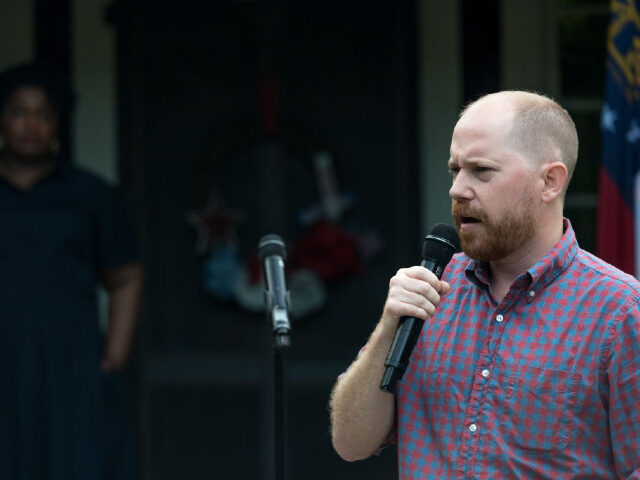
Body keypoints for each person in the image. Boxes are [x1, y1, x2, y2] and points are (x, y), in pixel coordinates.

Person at [329, 91, 640, 479]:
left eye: (481, 171)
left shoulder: (618, 311)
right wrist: (388, 328)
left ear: (550, 181)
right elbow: (350, 442)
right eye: (455, 169)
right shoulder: (430, 292)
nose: (457, 189)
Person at [0, 62, 143, 479]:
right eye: (18, 111)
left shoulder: (89, 195)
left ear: (58, 123)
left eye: (43, 113)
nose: (31, 124)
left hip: (71, 365)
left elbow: (126, 276)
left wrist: (113, 358)